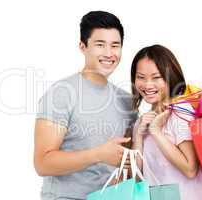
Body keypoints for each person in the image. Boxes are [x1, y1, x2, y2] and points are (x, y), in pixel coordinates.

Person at [34, 11, 136, 200]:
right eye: (100, 45)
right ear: (83, 46)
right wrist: (98, 154)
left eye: (115, 45)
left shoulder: (127, 102)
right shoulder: (62, 93)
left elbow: (128, 162)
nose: (108, 53)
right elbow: (42, 163)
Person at [131, 45, 202, 199]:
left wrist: (156, 132)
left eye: (156, 77)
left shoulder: (181, 113)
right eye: (141, 77)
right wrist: (139, 135)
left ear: (170, 76)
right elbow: (136, 179)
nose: (147, 84)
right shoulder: (141, 122)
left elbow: (190, 169)